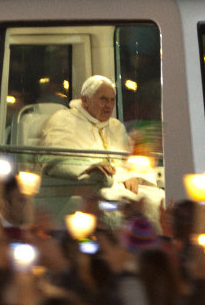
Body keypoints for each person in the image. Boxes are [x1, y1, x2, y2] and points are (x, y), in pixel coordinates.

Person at [37, 75, 164, 218]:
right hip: (89, 189)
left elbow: (132, 159)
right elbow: (56, 159)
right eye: (103, 99)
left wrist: (134, 176)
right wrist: (88, 169)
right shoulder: (64, 120)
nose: (109, 105)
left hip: (122, 186)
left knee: (161, 201)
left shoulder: (115, 126)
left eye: (112, 100)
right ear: (85, 100)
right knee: (128, 208)